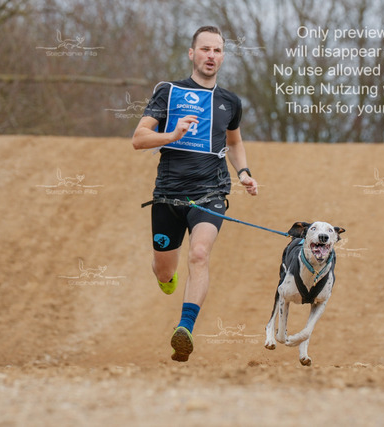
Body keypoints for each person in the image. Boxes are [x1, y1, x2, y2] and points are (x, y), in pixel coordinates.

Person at [132, 26, 258, 362]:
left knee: (200, 253)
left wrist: (244, 173)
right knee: (164, 271)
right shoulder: (168, 92)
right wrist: (172, 135)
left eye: (217, 50)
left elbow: (234, 142)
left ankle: (185, 329)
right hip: (168, 196)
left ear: (223, 56)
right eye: (205, 49)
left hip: (210, 193)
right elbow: (138, 139)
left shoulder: (230, 102)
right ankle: (166, 276)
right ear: (192, 53)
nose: (211, 56)